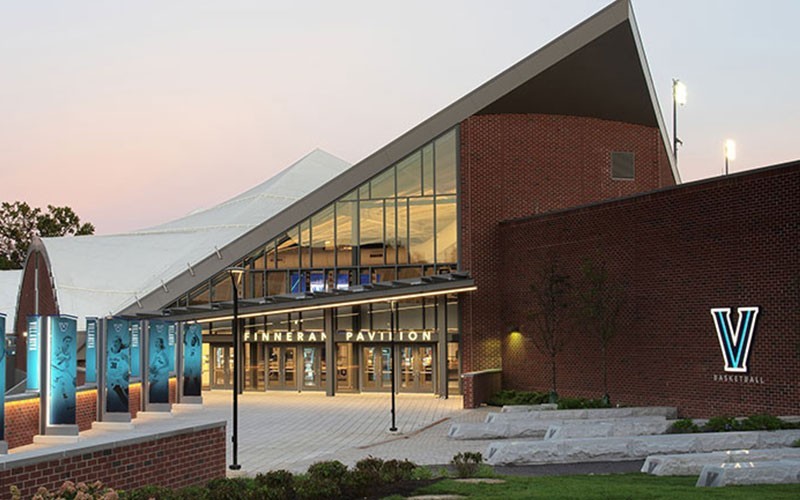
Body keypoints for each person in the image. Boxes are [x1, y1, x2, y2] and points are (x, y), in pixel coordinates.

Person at [107, 332, 130, 412]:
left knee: (127, 391)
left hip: (121, 377)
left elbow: (130, 366)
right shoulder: (107, 353)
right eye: (113, 341)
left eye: (116, 341)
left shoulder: (123, 355)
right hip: (112, 378)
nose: (115, 343)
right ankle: (127, 407)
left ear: (120, 343)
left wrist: (127, 373)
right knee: (119, 393)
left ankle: (131, 407)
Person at [149, 336, 170, 403]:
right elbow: (152, 364)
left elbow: (166, 363)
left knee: (160, 392)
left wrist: (157, 369)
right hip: (154, 375)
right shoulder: (155, 353)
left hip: (161, 377)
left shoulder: (163, 354)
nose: (156, 343)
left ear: (161, 343)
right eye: (155, 342)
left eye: (157, 342)